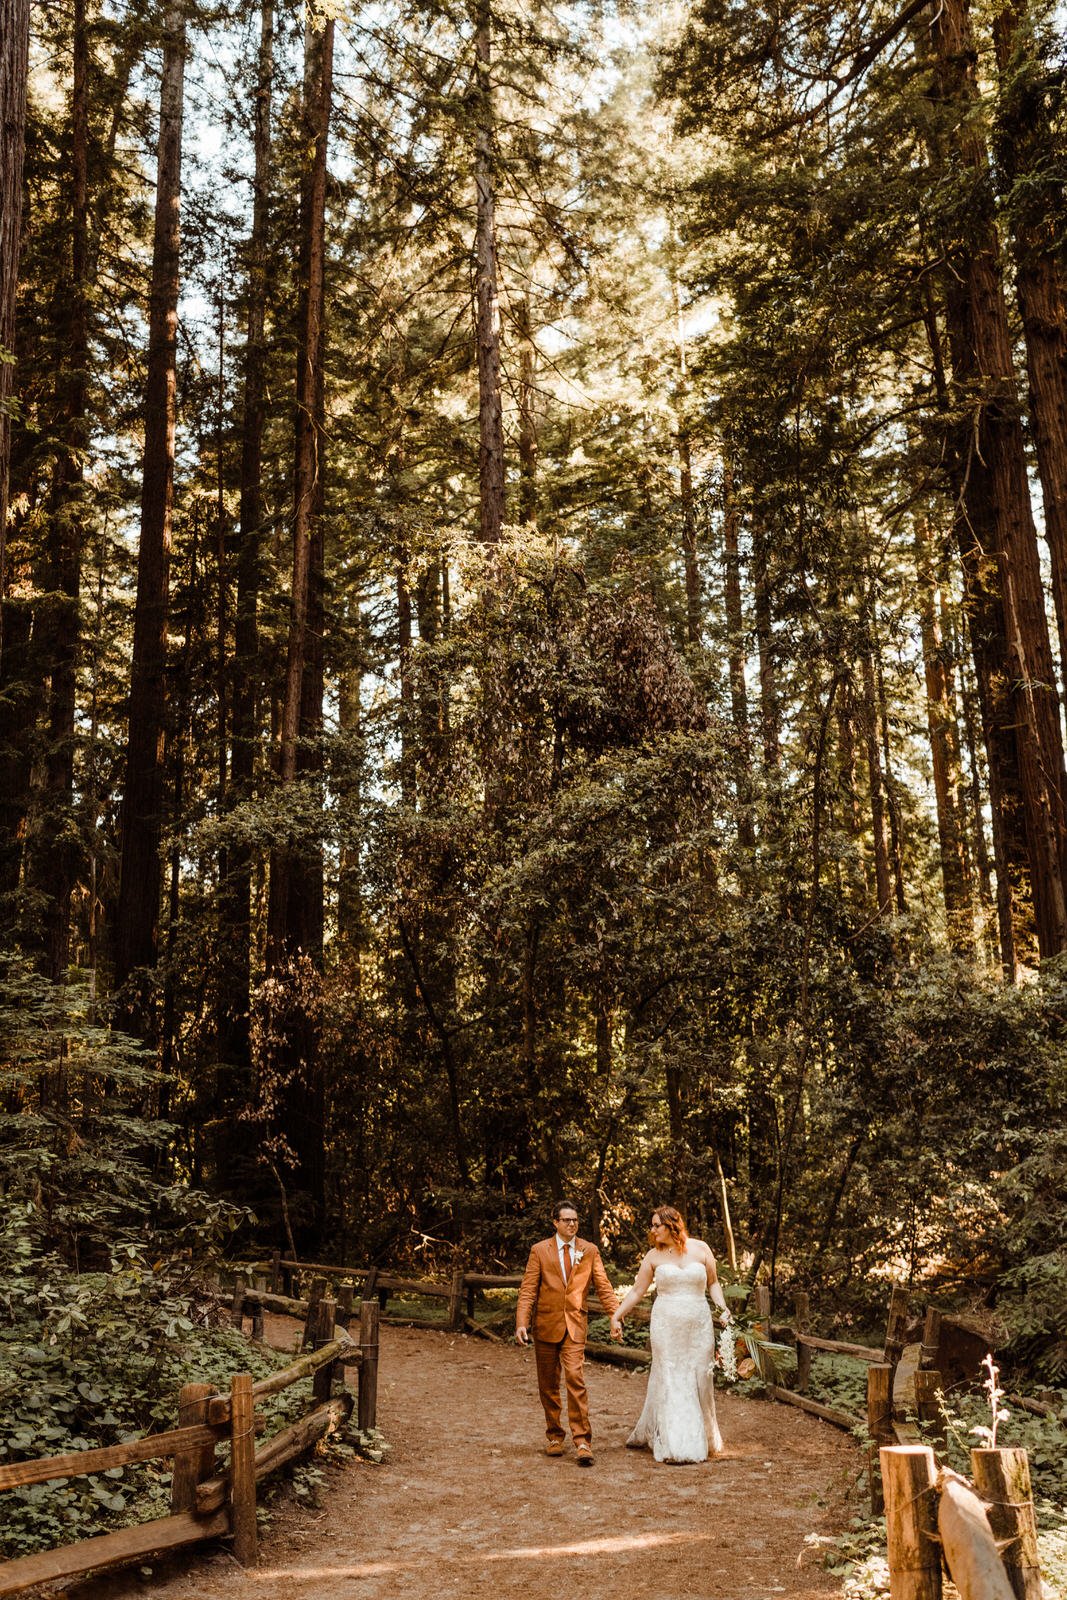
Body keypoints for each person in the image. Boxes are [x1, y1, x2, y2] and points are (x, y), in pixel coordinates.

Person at [610, 1204, 731, 1463]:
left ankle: (705, 1436)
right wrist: (617, 1315)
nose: (652, 1230)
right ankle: (675, 1442)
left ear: (672, 1225)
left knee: (699, 1376)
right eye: (652, 1225)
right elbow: (636, 1291)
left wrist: (723, 1309)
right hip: (666, 1324)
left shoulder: (701, 1249)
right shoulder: (653, 1256)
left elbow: (713, 1283)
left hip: (698, 1325)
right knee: (671, 1376)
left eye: (657, 1225)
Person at [515, 1198, 620, 1466]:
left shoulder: (589, 1250)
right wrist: (521, 1322)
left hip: (575, 1325)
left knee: (575, 1379)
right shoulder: (539, 1251)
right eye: (566, 1220)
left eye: (575, 1220)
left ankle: (583, 1441)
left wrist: (615, 1316)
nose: (572, 1224)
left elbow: (604, 1286)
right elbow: (528, 1290)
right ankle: (554, 1436)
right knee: (548, 1384)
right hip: (546, 1326)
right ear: (555, 1222)